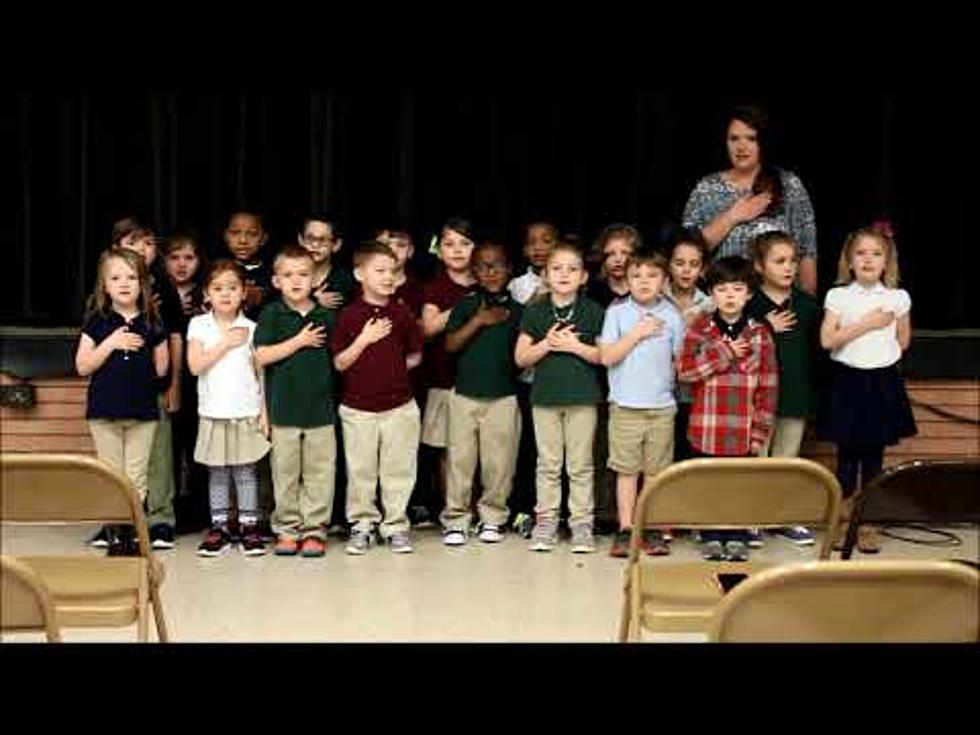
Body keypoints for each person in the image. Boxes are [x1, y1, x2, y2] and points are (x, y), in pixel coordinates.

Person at [818, 222, 916, 554]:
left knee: (873, 458)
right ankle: (842, 522)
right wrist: (866, 325)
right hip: (848, 380)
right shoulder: (838, 296)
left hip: (881, 382)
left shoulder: (898, 297)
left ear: (887, 260)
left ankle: (868, 522)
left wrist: (882, 353)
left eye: (876, 253)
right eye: (860, 253)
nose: (868, 260)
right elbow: (828, 340)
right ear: (849, 260)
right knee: (846, 458)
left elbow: (903, 340)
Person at [677, 256, 778, 562]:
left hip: (742, 429)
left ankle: (736, 534)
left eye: (737, 289)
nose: (730, 295)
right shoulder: (700, 328)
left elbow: (768, 387)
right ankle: (710, 534)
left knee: (737, 485)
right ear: (712, 294)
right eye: (722, 289)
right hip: (706, 428)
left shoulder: (760, 333)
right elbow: (685, 372)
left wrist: (759, 432)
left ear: (748, 294)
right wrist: (723, 352)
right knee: (709, 484)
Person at [331, 241, 424, 555]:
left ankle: (395, 525)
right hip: (358, 409)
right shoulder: (348, 316)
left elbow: (414, 357)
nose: (388, 277)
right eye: (380, 270)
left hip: (399, 407)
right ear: (359, 274)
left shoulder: (402, 314)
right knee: (361, 470)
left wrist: (390, 372)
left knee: (398, 469)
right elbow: (340, 362)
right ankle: (362, 525)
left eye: (393, 271)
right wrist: (365, 340)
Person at [75, 248, 169, 556]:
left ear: (143, 283)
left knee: (136, 477)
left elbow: (161, 368)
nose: (124, 283)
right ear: (104, 285)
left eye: (132, 277)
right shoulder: (97, 321)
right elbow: (83, 366)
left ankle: (132, 532)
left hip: (142, 413)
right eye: (116, 278)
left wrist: (160, 348)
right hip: (105, 413)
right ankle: (115, 533)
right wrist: (112, 343)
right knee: (112, 475)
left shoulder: (153, 322)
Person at [514, 242, 604, 553]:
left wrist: (575, 347)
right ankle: (547, 521)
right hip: (545, 399)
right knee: (548, 464)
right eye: (557, 268)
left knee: (580, 465)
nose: (564, 274)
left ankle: (581, 523)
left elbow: (602, 356)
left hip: (582, 399)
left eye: (572, 269)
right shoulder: (536, 311)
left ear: (583, 277)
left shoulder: (593, 311)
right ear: (545, 275)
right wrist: (548, 344)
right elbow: (521, 358)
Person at [598, 251, 685, 558]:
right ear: (627, 280)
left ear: (664, 280)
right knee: (626, 470)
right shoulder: (617, 313)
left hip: (662, 407)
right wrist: (638, 332)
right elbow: (607, 357)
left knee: (655, 472)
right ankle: (626, 528)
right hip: (624, 406)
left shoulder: (673, 316)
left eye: (652, 275)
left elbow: (680, 363)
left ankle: (650, 525)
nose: (644, 282)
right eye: (637, 276)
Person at [254, 245, 338, 557]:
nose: (296, 281)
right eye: (288, 275)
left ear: (315, 278)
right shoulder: (272, 315)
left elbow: (338, 361)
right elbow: (261, 356)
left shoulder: (326, 316)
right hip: (283, 412)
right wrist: (299, 341)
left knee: (320, 474)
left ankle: (314, 530)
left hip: (321, 412)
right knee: (285, 475)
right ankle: (287, 530)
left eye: (303, 274)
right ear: (276, 281)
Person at [682, 104, 818, 295]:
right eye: (734, 138)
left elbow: (806, 252)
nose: (741, 147)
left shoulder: (789, 185)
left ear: (763, 142)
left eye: (751, 139)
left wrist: (807, 308)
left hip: (778, 307)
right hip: (725, 306)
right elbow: (686, 252)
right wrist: (732, 216)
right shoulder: (706, 188)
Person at [440, 241, 523, 545]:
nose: (490, 272)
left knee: (499, 463)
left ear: (509, 270)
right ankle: (456, 519)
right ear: (474, 271)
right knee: (460, 461)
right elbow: (450, 345)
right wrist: (479, 320)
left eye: (497, 265)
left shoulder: (518, 310)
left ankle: (493, 517)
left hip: (502, 396)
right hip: (464, 395)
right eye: (483, 266)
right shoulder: (466, 305)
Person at [187, 259, 271, 557]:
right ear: (207, 294)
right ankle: (220, 526)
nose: (225, 294)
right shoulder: (199, 325)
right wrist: (224, 343)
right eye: (218, 288)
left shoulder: (253, 328)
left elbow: (261, 375)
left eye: (233, 288)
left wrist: (264, 413)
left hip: (245, 412)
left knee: (247, 472)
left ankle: (250, 526)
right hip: (213, 413)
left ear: (244, 292)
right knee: (218, 473)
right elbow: (195, 365)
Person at [747, 230, 821, 546]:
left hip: (794, 393)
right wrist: (765, 326)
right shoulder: (748, 304)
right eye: (779, 261)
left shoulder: (806, 305)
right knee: (756, 458)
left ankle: (780, 517)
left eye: (792, 260)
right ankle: (751, 519)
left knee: (786, 458)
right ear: (760, 266)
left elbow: (817, 352)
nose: (789, 267)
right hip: (758, 395)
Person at [418, 218, 478, 520]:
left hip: (480, 384)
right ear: (438, 250)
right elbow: (428, 329)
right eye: (449, 244)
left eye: (465, 244)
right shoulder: (434, 288)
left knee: (476, 451)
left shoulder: (488, 282)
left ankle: (478, 510)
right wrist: (465, 307)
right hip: (443, 380)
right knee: (447, 450)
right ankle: (453, 512)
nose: (457, 250)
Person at [507, 221, 558, 537]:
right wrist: (541, 294)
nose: (539, 247)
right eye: (532, 242)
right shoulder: (518, 285)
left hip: (561, 380)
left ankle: (557, 512)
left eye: (547, 241)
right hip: (529, 379)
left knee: (557, 453)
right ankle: (524, 509)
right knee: (529, 448)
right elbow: (520, 326)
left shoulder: (571, 277)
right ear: (524, 249)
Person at [162, 231, 209, 533]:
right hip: (166, 379)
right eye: (174, 258)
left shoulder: (207, 293)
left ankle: (198, 510)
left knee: (196, 449)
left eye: (189, 258)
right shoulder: (156, 293)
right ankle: (169, 509)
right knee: (168, 448)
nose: (181, 265)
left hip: (200, 382)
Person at [664, 228, 713, 461]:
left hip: (696, 396)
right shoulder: (654, 298)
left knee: (690, 457)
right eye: (679, 263)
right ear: (668, 265)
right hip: (660, 395)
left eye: (694, 264)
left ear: (703, 269)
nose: (686, 270)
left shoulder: (711, 305)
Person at [298, 213, 355, 311]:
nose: (315, 244)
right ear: (301, 240)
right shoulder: (288, 273)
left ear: (336, 245)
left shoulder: (343, 280)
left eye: (323, 239)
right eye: (310, 238)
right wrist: (313, 300)